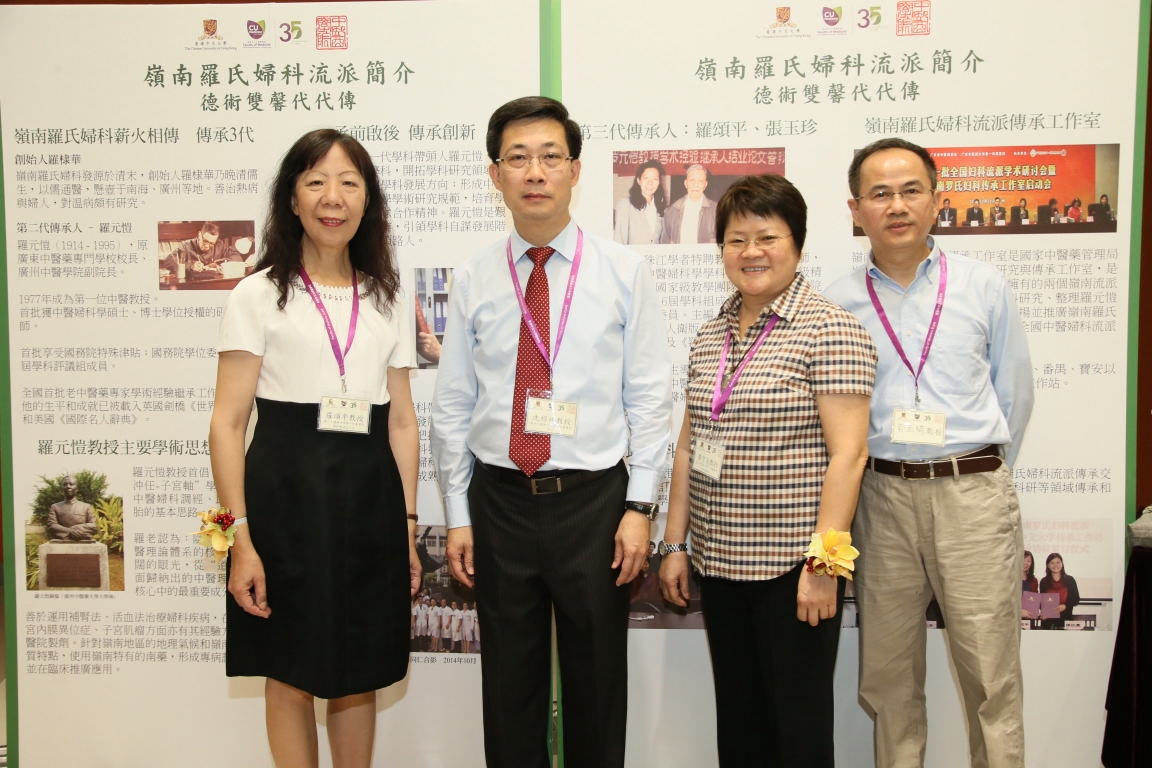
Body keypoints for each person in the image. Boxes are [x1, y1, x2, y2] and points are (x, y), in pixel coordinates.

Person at [430, 95, 673, 768]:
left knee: (597, 685)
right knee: (509, 689)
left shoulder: (623, 271)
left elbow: (650, 396)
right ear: (495, 174)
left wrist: (639, 507)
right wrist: (458, 514)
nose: (534, 172)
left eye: (549, 157)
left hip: (594, 504)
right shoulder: (474, 276)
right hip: (500, 502)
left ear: (575, 170)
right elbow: (453, 403)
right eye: (517, 158)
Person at [208, 128, 422, 768]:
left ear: (367, 201)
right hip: (285, 504)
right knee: (288, 668)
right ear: (292, 199)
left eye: (349, 183)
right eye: (316, 181)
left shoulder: (386, 296)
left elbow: (402, 422)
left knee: (359, 671)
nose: (334, 197)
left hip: (369, 502)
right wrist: (240, 538)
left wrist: (407, 524)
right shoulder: (257, 294)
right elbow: (227, 424)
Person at [823, 137, 1034, 768]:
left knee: (991, 675)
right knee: (888, 677)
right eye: (880, 193)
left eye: (911, 190)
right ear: (856, 209)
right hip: (880, 499)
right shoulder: (837, 302)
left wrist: (976, 472)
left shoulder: (982, 285)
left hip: (971, 494)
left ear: (937, 200)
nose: (897, 206)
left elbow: (1014, 394)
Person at [658, 175, 876, 766]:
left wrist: (825, 568)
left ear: (796, 244)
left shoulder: (830, 329)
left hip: (793, 571)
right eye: (736, 240)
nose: (750, 252)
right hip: (720, 564)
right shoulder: (712, 334)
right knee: (741, 726)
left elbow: (850, 456)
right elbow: (688, 447)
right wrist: (674, 545)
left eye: (767, 237)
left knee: (798, 732)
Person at [661, 163, 718, 244]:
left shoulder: (717, 210)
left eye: (700, 181)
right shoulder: (672, 211)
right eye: (692, 180)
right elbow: (665, 243)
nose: (695, 185)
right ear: (686, 183)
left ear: (705, 185)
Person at [614, 159, 667, 244]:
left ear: (659, 183)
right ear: (639, 180)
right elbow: (619, 241)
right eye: (646, 178)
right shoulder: (625, 205)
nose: (650, 183)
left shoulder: (662, 208)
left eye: (655, 179)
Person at [164, 221, 243, 278]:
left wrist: (220, 264)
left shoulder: (219, 245)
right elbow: (168, 261)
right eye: (205, 241)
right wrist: (190, 266)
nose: (207, 246)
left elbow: (237, 258)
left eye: (211, 243)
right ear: (199, 235)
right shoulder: (186, 246)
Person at [47, 475, 98, 542]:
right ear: (62, 488)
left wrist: (76, 528)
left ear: (77, 488)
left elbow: (93, 526)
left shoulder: (86, 507)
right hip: (62, 542)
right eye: (65, 484)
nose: (68, 486)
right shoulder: (55, 507)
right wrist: (70, 531)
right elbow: (52, 526)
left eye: (71, 484)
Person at [1039, 552, 1080, 623]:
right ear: (1048, 565)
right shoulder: (1044, 581)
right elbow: (1042, 601)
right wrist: (1043, 612)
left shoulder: (1070, 580)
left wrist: (1065, 606)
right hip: (1048, 620)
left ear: (1062, 564)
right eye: (1052, 563)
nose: (1055, 565)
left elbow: (1076, 599)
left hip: (1066, 619)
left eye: (1058, 562)